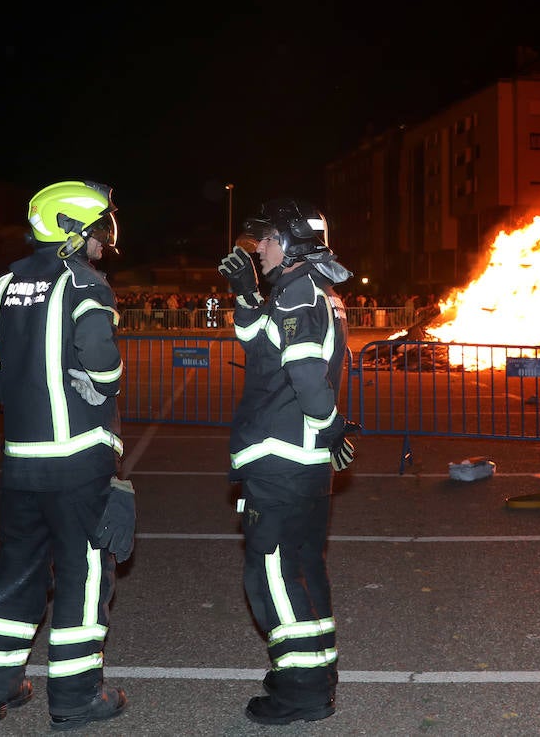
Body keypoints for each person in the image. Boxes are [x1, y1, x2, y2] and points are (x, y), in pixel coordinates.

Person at [0, 180, 130, 731]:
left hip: (21, 465)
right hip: (78, 465)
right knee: (85, 576)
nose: (104, 239)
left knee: (18, 573)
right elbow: (101, 362)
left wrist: (11, 387)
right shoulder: (86, 283)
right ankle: (75, 698)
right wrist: (103, 382)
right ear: (73, 230)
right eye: (98, 228)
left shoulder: (8, 282)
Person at [218, 198, 355, 726]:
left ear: (293, 244)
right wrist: (247, 295)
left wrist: (332, 426)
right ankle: (315, 673)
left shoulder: (298, 293)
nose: (261, 247)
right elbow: (262, 349)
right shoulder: (308, 290)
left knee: (272, 576)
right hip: (302, 465)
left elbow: (303, 378)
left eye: (268, 239)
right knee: (304, 571)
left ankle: (301, 691)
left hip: (280, 461)